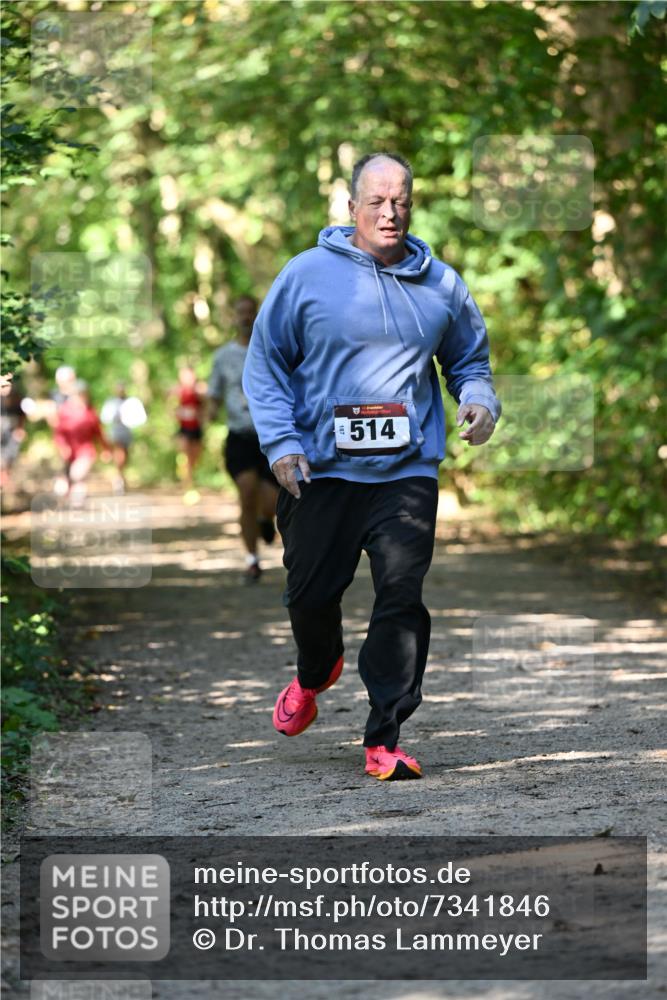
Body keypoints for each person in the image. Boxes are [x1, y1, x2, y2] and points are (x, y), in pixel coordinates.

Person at [242, 152, 501, 781]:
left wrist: (479, 399)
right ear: (352, 206)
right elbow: (266, 364)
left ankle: (384, 733)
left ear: (412, 204)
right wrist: (280, 444)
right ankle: (315, 671)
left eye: (401, 201)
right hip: (319, 472)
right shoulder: (305, 276)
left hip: (405, 473)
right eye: (377, 201)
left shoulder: (442, 284)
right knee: (310, 598)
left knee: (401, 600)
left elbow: (470, 361)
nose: (390, 213)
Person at [208, 295, 279, 584]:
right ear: (234, 317)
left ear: (258, 315)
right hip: (239, 436)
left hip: (271, 436)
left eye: (251, 312)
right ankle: (252, 560)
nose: (246, 318)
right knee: (247, 492)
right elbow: (213, 393)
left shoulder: (272, 351)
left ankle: (266, 519)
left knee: (272, 502)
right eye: (241, 313)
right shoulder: (223, 356)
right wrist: (210, 410)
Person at [53, 380, 110, 505]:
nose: (82, 397)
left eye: (84, 394)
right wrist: (62, 447)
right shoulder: (65, 410)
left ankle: (77, 501)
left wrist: (105, 449)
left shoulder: (90, 412)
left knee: (77, 474)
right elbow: (58, 432)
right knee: (67, 476)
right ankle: (68, 498)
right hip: (69, 451)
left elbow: (99, 433)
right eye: (79, 394)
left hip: (86, 451)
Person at [100, 382, 147, 493]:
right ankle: (118, 479)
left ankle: (120, 476)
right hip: (116, 431)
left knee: (125, 455)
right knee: (119, 453)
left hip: (127, 432)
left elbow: (139, 417)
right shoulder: (111, 403)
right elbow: (105, 417)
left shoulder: (131, 402)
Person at [172, 365, 205, 505]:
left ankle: (191, 478)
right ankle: (187, 484)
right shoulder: (177, 390)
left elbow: (206, 403)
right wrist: (176, 413)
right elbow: (170, 405)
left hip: (196, 428)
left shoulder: (199, 389)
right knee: (185, 455)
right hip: (183, 429)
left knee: (194, 458)